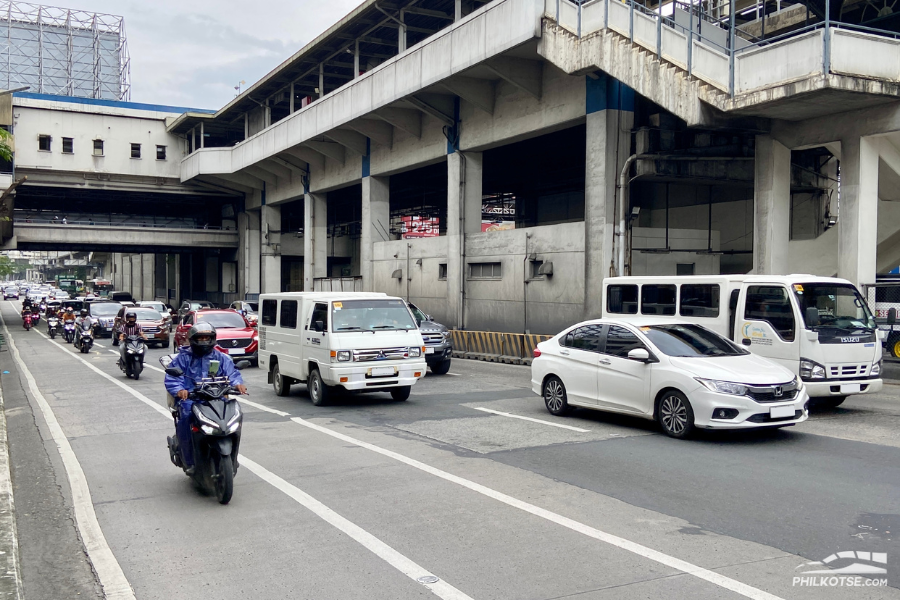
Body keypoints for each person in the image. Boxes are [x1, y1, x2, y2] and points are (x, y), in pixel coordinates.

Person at [164, 323, 247, 473]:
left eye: (207, 338)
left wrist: (238, 384)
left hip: (217, 397)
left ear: (213, 339)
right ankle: (189, 461)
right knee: (186, 417)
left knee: (235, 415)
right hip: (191, 399)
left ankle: (233, 458)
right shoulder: (183, 358)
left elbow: (232, 373)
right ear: (192, 339)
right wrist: (180, 390)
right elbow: (173, 378)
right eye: (200, 338)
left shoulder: (221, 357)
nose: (203, 341)